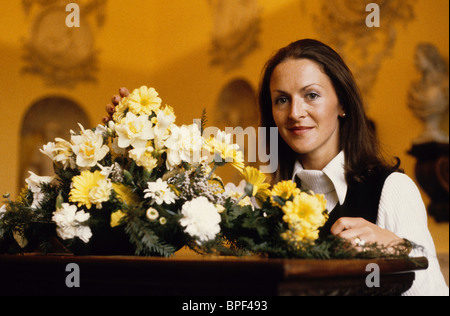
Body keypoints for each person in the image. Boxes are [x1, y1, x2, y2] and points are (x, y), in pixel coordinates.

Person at [104, 39, 448, 296]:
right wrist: (132, 143)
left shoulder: (391, 189)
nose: (295, 112)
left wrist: (399, 250)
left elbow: (434, 291)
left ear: (342, 103)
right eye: (282, 99)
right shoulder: (259, 198)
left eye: (311, 95)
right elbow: (171, 228)